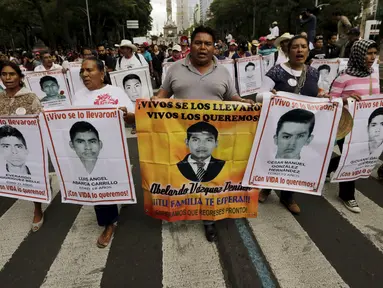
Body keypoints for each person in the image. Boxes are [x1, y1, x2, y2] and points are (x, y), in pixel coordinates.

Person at [153, 26, 253, 242]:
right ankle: (178, 209)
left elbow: (232, 97)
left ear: (214, 47)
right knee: (181, 178)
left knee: (210, 182)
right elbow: (163, 94)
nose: (203, 48)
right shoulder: (175, 69)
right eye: (198, 43)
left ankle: (209, 221)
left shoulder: (223, 71)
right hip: (182, 138)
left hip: (213, 137)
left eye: (208, 44)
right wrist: (154, 102)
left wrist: (243, 103)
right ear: (190, 45)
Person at [73, 56, 135, 247]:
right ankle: (108, 223)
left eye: (89, 70)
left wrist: (126, 114)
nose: (85, 74)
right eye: (82, 71)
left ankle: (121, 197)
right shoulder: (78, 95)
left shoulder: (116, 92)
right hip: (90, 150)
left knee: (115, 181)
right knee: (98, 185)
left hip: (114, 147)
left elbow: (133, 117)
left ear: (102, 73)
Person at [256, 35, 320, 214]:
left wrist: (326, 98)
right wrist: (271, 95)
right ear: (288, 50)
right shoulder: (276, 72)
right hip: (279, 124)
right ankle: (267, 188)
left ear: (308, 50)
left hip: (304, 124)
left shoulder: (314, 73)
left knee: (295, 160)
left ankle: (287, 196)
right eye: (295, 47)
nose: (299, 50)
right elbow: (259, 96)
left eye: (303, 47)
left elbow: (317, 93)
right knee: (276, 156)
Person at [327, 39, 379, 213]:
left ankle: (328, 168)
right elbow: (330, 99)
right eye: (368, 53)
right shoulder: (344, 77)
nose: (372, 57)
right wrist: (343, 100)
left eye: (374, 53)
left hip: (365, 126)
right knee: (351, 156)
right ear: (358, 54)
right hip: (346, 125)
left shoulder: (373, 74)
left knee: (354, 155)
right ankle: (347, 195)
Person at [0, 61, 44, 232]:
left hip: (28, 147)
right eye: (4, 74)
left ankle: (38, 209)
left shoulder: (30, 97)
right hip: (4, 148)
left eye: (12, 74)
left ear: (19, 76)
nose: (8, 78)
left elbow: (41, 120)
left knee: (32, 175)